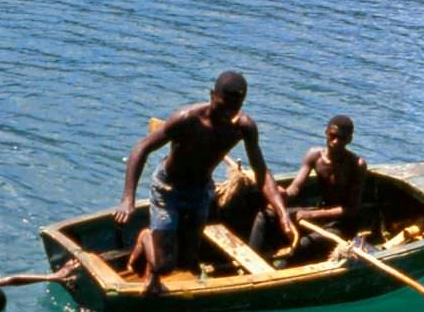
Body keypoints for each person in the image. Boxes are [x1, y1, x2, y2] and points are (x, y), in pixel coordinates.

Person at [114, 71, 293, 295]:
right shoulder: (187, 119)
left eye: (234, 108)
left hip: (199, 192)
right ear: (211, 96)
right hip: (168, 189)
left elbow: (261, 171)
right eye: (222, 106)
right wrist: (128, 198)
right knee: (164, 265)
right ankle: (146, 237)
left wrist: (282, 212)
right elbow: (141, 148)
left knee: (187, 262)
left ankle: (159, 246)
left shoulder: (243, 127)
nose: (227, 113)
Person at [249, 114, 367, 261]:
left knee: (305, 244)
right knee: (264, 216)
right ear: (326, 132)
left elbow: (352, 209)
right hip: (320, 212)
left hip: (343, 224)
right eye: (332, 136)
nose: (335, 142)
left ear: (349, 140)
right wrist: (283, 195)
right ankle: (251, 260)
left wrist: (312, 215)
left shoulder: (357, 165)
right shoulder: (314, 155)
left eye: (342, 138)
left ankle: (282, 271)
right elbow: (295, 189)